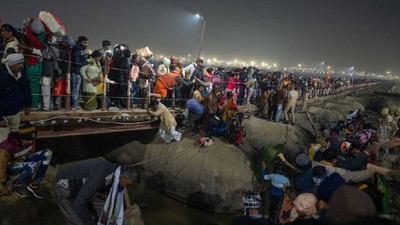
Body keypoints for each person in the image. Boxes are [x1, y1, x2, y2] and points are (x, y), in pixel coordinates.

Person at [54, 158, 138, 225]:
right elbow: (78, 203)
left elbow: (107, 199)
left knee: (105, 214)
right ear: (122, 177)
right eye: (126, 184)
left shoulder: (116, 174)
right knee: (78, 220)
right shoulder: (101, 175)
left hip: (86, 186)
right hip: (64, 186)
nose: (124, 187)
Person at [0, 123, 52, 199]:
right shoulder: (6, 147)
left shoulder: (31, 140)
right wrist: (4, 184)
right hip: (9, 166)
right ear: (21, 138)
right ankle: (18, 183)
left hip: (23, 160)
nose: (31, 142)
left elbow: (31, 151)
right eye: (28, 140)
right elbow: (1, 166)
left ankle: (34, 184)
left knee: (48, 153)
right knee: (31, 166)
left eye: (33, 139)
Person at [0, 53, 32, 143]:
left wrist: (28, 104)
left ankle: (13, 157)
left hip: (15, 112)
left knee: (14, 140)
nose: (22, 66)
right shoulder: (2, 76)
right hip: (3, 115)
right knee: (3, 143)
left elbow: (26, 87)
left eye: (22, 63)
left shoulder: (20, 73)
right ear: (11, 65)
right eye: (19, 64)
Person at [71, 36, 89, 110]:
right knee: (75, 89)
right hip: (76, 72)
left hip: (78, 72)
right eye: (84, 42)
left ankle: (75, 103)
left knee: (77, 89)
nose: (86, 44)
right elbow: (76, 62)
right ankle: (74, 105)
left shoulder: (80, 50)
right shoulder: (77, 50)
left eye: (87, 43)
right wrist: (86, 62)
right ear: (80, 42)